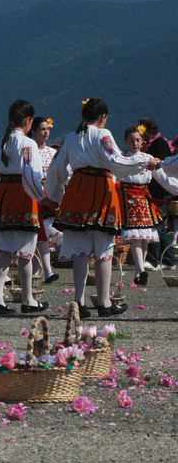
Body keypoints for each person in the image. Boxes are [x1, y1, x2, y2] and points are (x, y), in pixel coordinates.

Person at [46, 98, 155, 318]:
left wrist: (55, 196)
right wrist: (145, 162)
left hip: (77, 191)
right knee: (104, 248)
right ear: (103, 117)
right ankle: (103, 303)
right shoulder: (103, 134)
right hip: (100, 190)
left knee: (80, 250)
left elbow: (56, 168)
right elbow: (116, 161)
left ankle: (78, 302)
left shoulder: (71, 137)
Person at [0, 100, 49, 315]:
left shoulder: (1, 143)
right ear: (28, 121)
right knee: (26, 251)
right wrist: (42, 197)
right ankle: (28, 300)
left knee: (5, 250)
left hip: (3, 196)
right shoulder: (28, 144)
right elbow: (31, 174)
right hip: (24, 196)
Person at [118, 126, 178, 285]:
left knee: (144, 238)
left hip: (144, 198)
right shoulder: (121, 157)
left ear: (142, 141)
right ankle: (141, 270)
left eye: (138, 140)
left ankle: (138, 273)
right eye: (131, 141)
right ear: (126, 141)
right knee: (136, 236)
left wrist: (176, 188)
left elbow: (164, 178)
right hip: (127, 197)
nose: (135, 143)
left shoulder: (148, 158)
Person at [140, 117, 176, 271]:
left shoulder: (159, 143)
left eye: (143, 130)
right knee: (156, 224)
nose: (142, 133)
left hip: (159, 189)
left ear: (151, 130)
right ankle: (167, 259)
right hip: (152, 188)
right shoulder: (148, 145)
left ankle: (155, 259)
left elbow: (162, 168)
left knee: (156, 224)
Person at [29, 117, 61, 283]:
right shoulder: (29, 150)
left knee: (43, 231)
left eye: (47, 129)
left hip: (50, 195)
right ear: (33, 132)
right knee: (35, 232)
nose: (46, 132)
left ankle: (45, 269)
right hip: (33, 195)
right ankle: (38, 268)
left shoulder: (53, 152)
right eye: (42, 129)